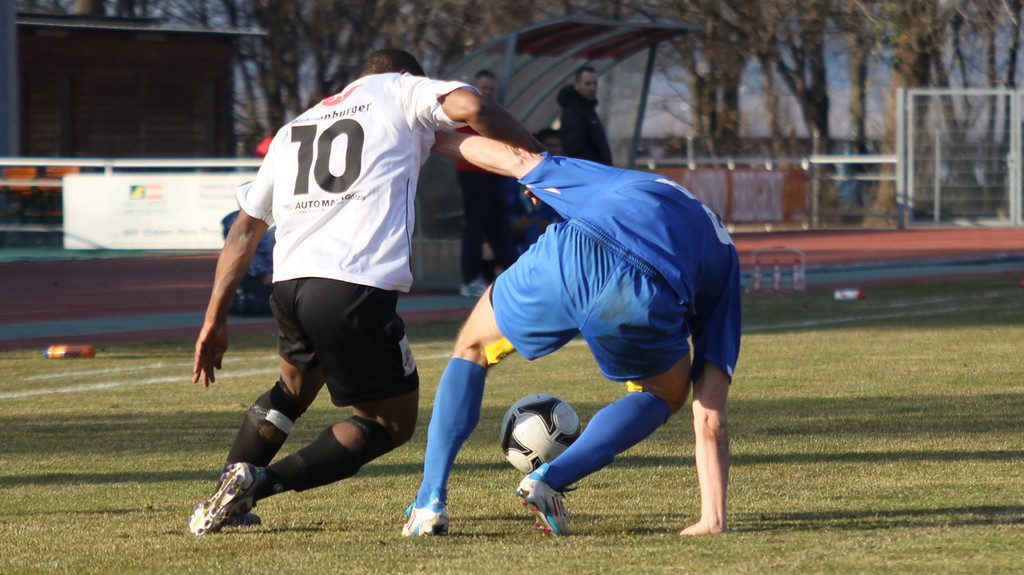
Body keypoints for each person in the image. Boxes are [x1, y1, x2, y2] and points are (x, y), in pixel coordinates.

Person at [188, 49, 541, 536]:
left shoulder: (298, 126)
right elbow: (475, 108)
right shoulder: (402, 90)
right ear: (407, 74)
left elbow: (245, 231)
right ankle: (258, 483)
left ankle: (221, 496)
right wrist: (541, 160)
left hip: (290, 285)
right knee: (390, 424)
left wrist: (214, 318)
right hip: (353, 286)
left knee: (293, 391)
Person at [402, 130, 739, 537]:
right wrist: (713, 518)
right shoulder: (725, 257)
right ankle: (550, 478)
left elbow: (515, 160)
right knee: (663, 393)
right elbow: (711, 412)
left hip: (570, 258)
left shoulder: (631, 181)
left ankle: (429, 502)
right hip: (644, 295)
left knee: (472, 348)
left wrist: (431, 138)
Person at [455, 70, 519, 298]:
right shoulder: (468, 111)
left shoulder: (495, 112)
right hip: (473, 173)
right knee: (476, 226)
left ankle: (515, 275)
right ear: (475, 88)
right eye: (484, 88)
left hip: (494, 173)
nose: (488, 92)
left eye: (492, 88)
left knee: (498, 226)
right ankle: (470, 279)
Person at [220, 205, 274, 316]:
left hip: (269, 271)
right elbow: (244, 250)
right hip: (251, 274)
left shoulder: (268, 217)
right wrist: (263, 274)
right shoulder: (235, 220)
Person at [557, 66, 613, 165]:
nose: (592, 88)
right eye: (587, 84)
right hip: (590, 172)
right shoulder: (573, 112)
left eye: (595, 83)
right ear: (577, 85)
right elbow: (575, 148)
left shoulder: (588, 110)